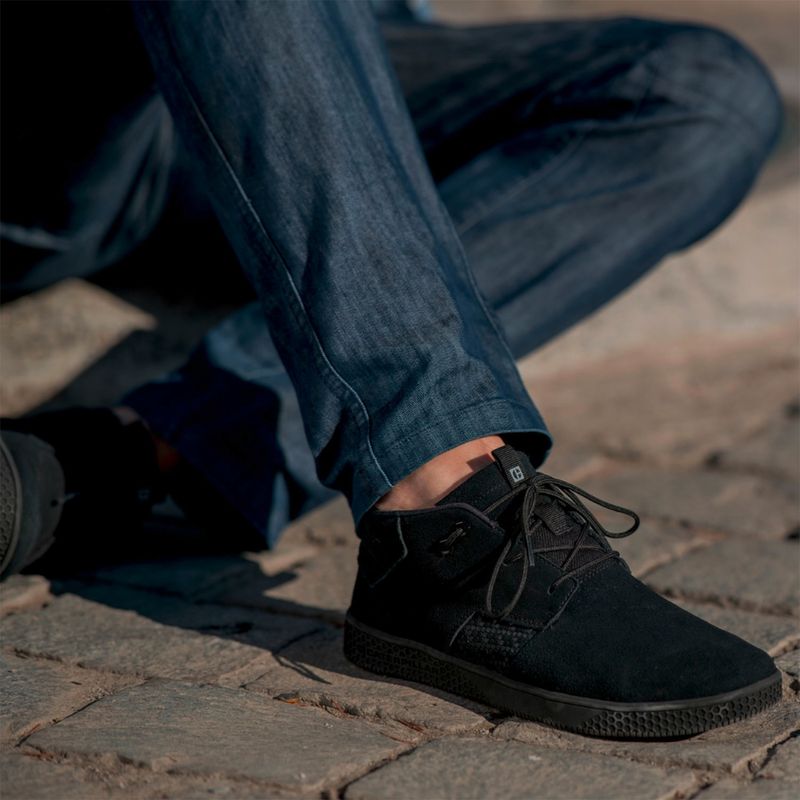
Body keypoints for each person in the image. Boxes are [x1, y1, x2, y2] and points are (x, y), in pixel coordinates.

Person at [0, 0, 784, 738]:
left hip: (315, 57)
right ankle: (441, 504)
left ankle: (162, 444)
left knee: (706, 99)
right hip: (75, 109)